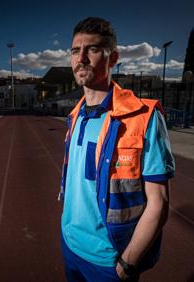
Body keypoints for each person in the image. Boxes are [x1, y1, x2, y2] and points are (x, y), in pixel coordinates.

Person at [59, 17, 175, 281]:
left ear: (113, 58)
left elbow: (159, 202)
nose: (82, 58)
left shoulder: (143, 117)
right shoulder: (75, 116)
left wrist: (127, 264)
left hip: (109, 260)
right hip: (69, 244)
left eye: (93, 49)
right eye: (76, 51)